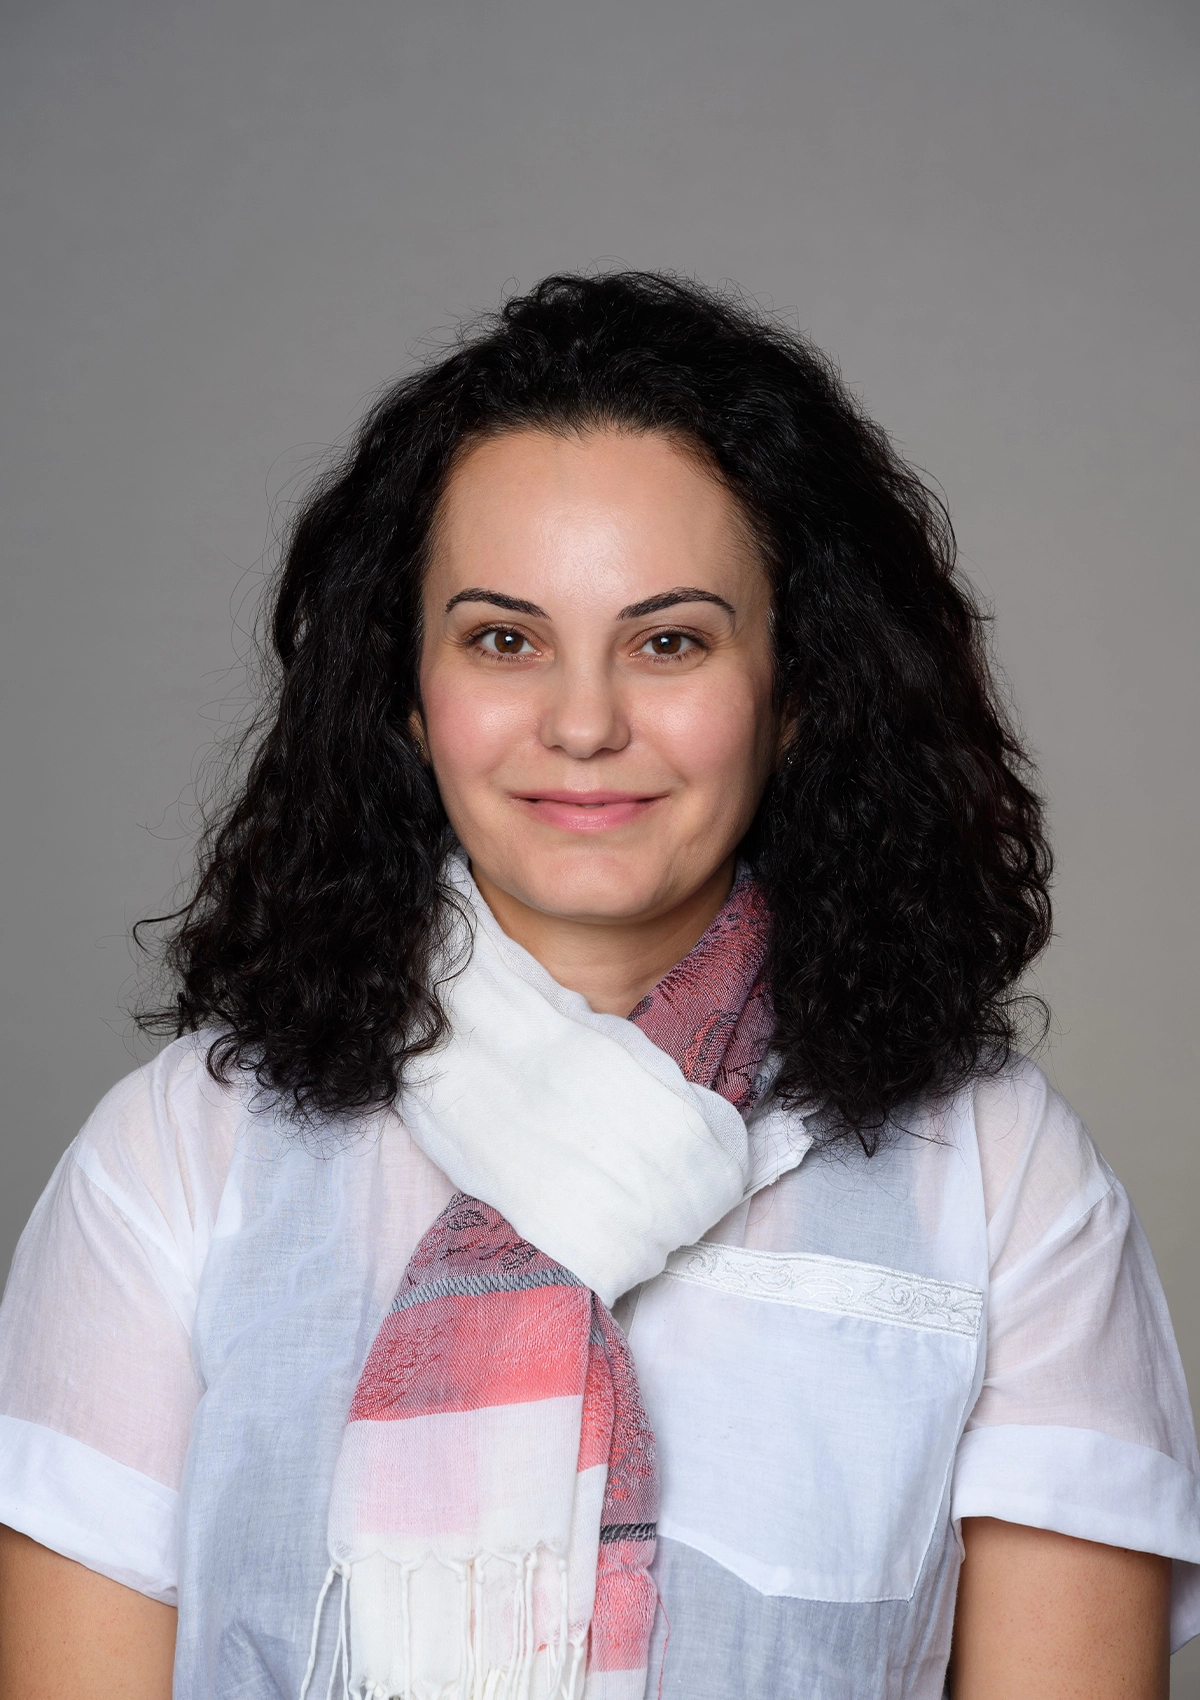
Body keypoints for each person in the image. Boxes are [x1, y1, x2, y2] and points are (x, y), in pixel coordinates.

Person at [0, 272, 1195, 1700]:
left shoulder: (1000, 1178)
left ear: (794, 688)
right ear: (407, 687)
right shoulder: (178, 1158)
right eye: (503, 639)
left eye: (670, 640)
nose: (583, 722)